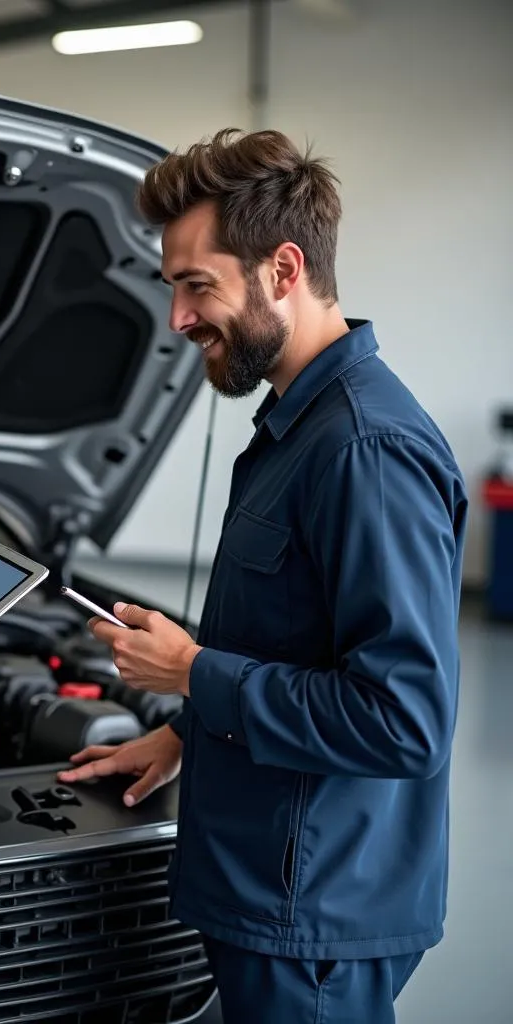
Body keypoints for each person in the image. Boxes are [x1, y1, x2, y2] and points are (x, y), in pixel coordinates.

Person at [57, 128, 467, 1023]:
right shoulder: (298, 426)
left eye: (197, 285)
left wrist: (193, 674)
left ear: (283, 269)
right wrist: (186, 735)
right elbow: (298, 646)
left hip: (313, 912)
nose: (178, 320)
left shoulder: (365, 451)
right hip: (273, 881)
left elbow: (404, 720)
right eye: (174, 289)